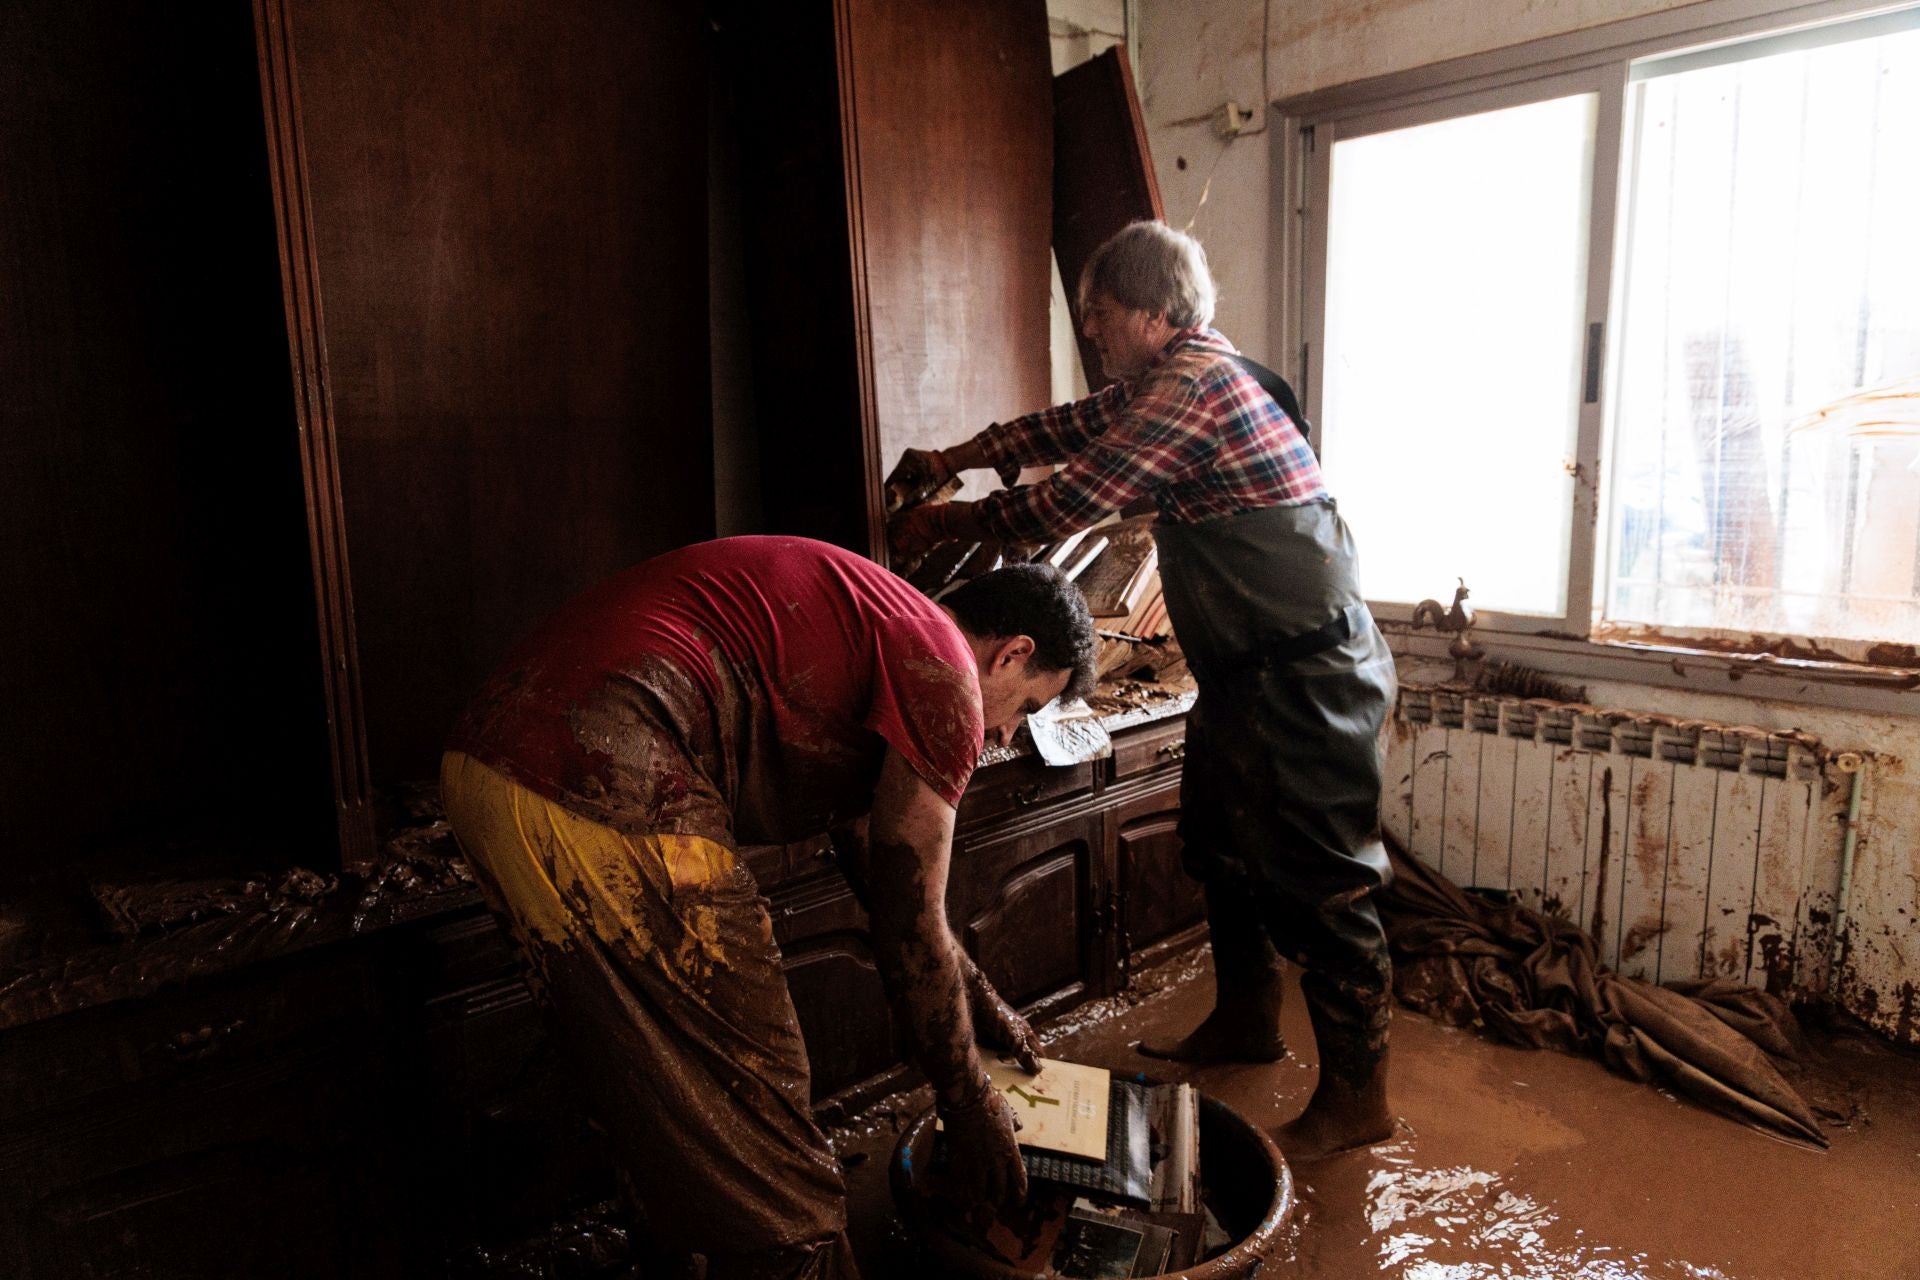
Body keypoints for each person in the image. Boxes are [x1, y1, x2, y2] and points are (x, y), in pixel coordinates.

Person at [441, 535, 1098, 1278]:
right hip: (601, 771)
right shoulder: (944, 671)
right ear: (1011, 653)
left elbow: (880, 874)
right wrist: (968, 1095)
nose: (1008, 735)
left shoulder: (884, 621)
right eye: (1027, 708)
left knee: (650, 1079)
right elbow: (912, 920)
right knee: (761, 1118)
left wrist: (977, 998)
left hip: (487, 767)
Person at [888, 220, 1397, 1160]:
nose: (1092, 334)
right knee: (1224, 850)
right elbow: (1066, 428)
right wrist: (955, 453)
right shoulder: (1165, 384)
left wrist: (953, 521)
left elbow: (1072, 495)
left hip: (1311, 679)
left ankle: (1359, 1098)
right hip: (1244, 677)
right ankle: (1248, 1022)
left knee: (1329, 889)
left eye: (1100, 316)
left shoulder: (1197, 389)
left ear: (1154, 312)